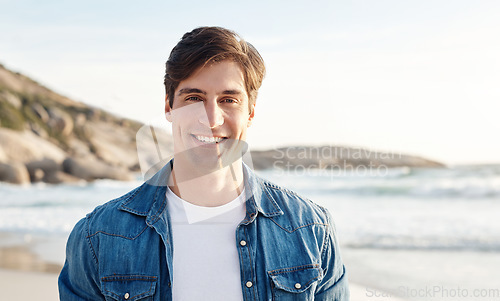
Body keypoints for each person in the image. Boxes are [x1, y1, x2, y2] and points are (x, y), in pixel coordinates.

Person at [58, 26, 349, 300]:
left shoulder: (310, 229)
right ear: (169, 107)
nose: (211, 119)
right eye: (194, 97)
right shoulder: (98, 237)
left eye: (228, 100)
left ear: (250, 112)